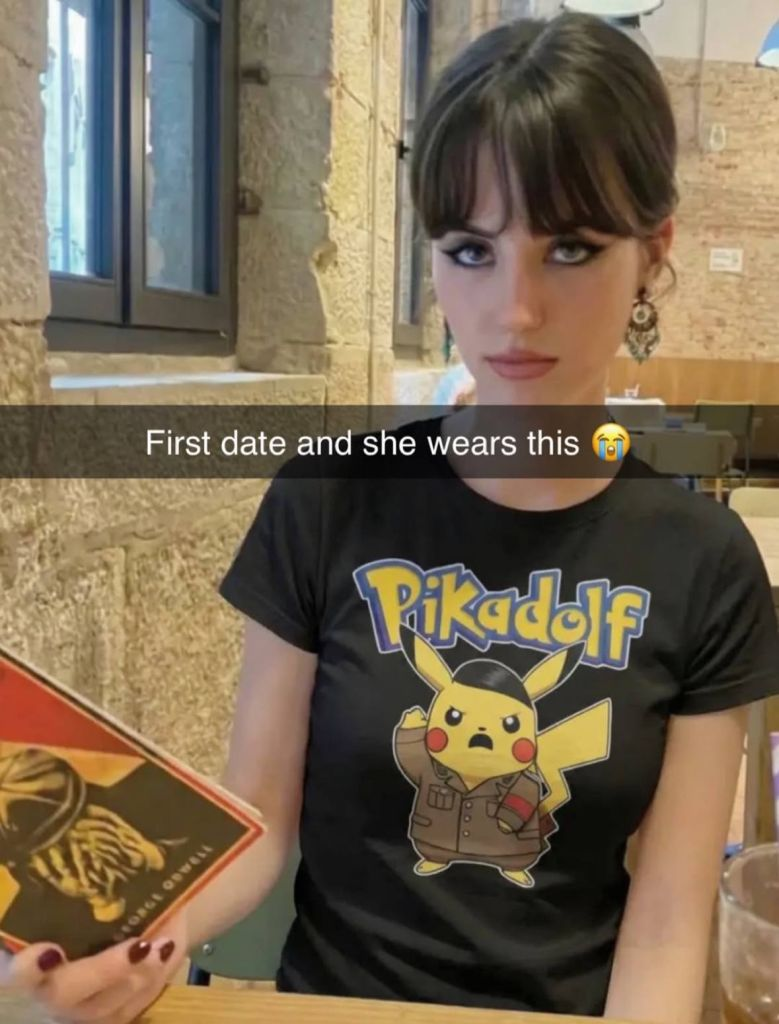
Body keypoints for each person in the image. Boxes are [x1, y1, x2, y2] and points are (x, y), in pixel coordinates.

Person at [4, 11, 779, 1024]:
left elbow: (668, 921)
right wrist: (145, 939)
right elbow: (260, 820)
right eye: (470, 249)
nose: (514, 309)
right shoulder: (327, 500)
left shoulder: (704, 564)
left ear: (651, 252)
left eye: (571, 247)